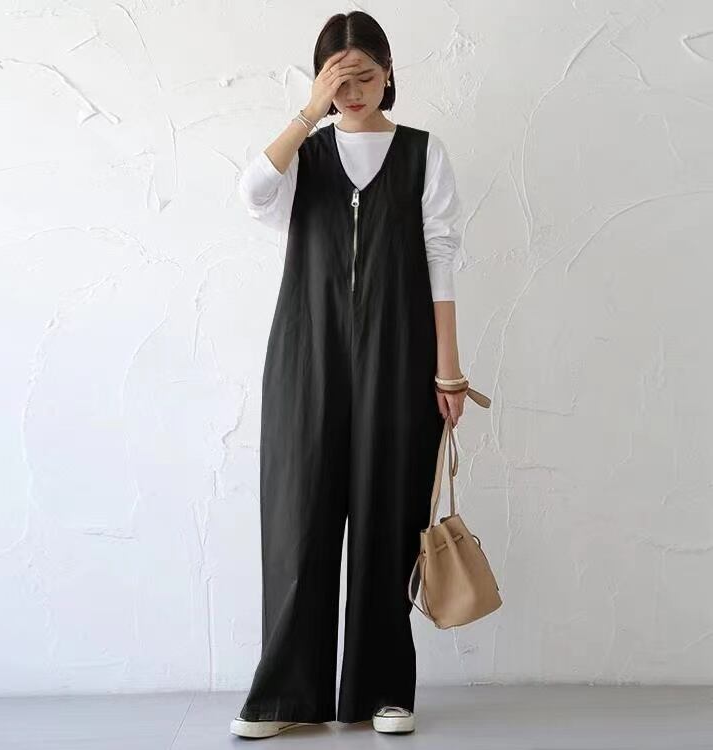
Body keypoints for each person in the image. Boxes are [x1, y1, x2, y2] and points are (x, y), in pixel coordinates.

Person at [230, 10, 477, 739]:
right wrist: (308, 112)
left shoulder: (424, 154)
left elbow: (440, 257)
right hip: (306, 354)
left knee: (388, 519)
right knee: (298, 519)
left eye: (364, 76)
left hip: (400, 356)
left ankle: (382, 692)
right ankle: (283, 698)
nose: (353, 92)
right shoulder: (305, 155)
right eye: (337, 81)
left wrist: (449, 369)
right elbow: (251, 194)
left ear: (389, 72)